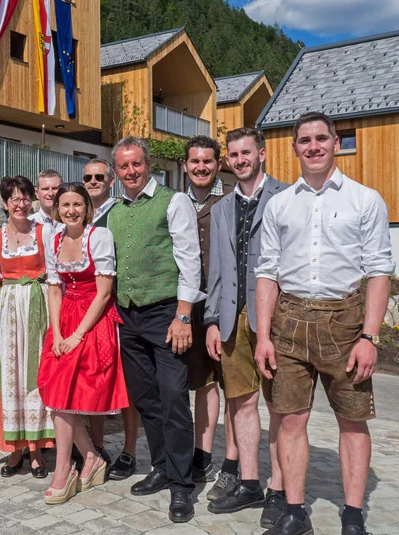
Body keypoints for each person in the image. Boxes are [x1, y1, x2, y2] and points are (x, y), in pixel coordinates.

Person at [255, 112, 394, 535]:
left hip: (347, 325)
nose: (312, 146)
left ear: (335, 143)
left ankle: (353, 517)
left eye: (321, 138)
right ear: (294, 147)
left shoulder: (365, 200)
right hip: (290, 322)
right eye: (304, 140)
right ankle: (295, 512)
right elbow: (267, 272)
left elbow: (379, 270)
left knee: (353, 421)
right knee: (291, 419)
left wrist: (370, 336)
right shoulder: (279, 204)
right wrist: (263, 335)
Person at [108, 136, 205, 523]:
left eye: (136, 164)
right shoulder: (114, 210)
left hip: (166, 314)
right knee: (146, 399)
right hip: (128, 316)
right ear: (116, 171)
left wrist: (183, 314)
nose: (130, 172)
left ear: (147, 164)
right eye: (123, 166)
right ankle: (162, 467)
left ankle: (182, 486)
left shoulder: (174, 200)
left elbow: (189, 259)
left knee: (174, 399)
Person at [205, 127, 288, 527]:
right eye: (233, 155)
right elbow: (216, 271)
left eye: (246, 153)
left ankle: (281, 488)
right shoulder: (221, 208)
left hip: (275, 316)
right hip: (231, 318)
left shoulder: (287, 198)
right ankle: (251, 482)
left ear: (262, 154)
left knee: (280, 405)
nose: (240, 160)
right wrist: (210, 320)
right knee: (241, 401)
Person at [37, 184, 128, 505]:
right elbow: (54, 289)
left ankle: (65, 469)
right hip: (63, 322)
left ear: (86, 207)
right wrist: (57, 333)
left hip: (93, 321)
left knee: (64, 399)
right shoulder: (54, 238)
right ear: (57, 209)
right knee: (56, 394)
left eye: (77, 204)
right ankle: (90, 457)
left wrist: (76, 335)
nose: (71, 210)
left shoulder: (98, 237)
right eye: (65, 205)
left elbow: (104, 293)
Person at [0, 175, 54, 479]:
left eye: (25, 197)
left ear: (33, 200)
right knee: (10, 377)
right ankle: (15, 449)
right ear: (3, 203)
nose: (20, 202)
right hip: (9, 311)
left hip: (38, 307)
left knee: (36, 377)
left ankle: (36, 449)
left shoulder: (45, 232)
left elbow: (54, 280)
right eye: (13, 197)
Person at [182, 136, 238, 493]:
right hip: (193, 305)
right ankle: (202, 454)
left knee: (236, 387)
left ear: (218, 164)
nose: (200, 167)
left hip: (230, 305)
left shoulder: (232, 200)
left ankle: (234, 460)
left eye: (207, 161)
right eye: (195, 161)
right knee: (203, 385)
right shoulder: (176, 202)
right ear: (186, 165)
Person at [83, 158, 140, 480]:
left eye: (99, 177)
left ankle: (130, 450)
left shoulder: (119, 214)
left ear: (111, 181)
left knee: (127, 383)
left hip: (119, 307)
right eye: (88, 177)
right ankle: (95, 445)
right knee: (94, 380)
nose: (93, 181)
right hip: (86, 310)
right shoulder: (76, 214)